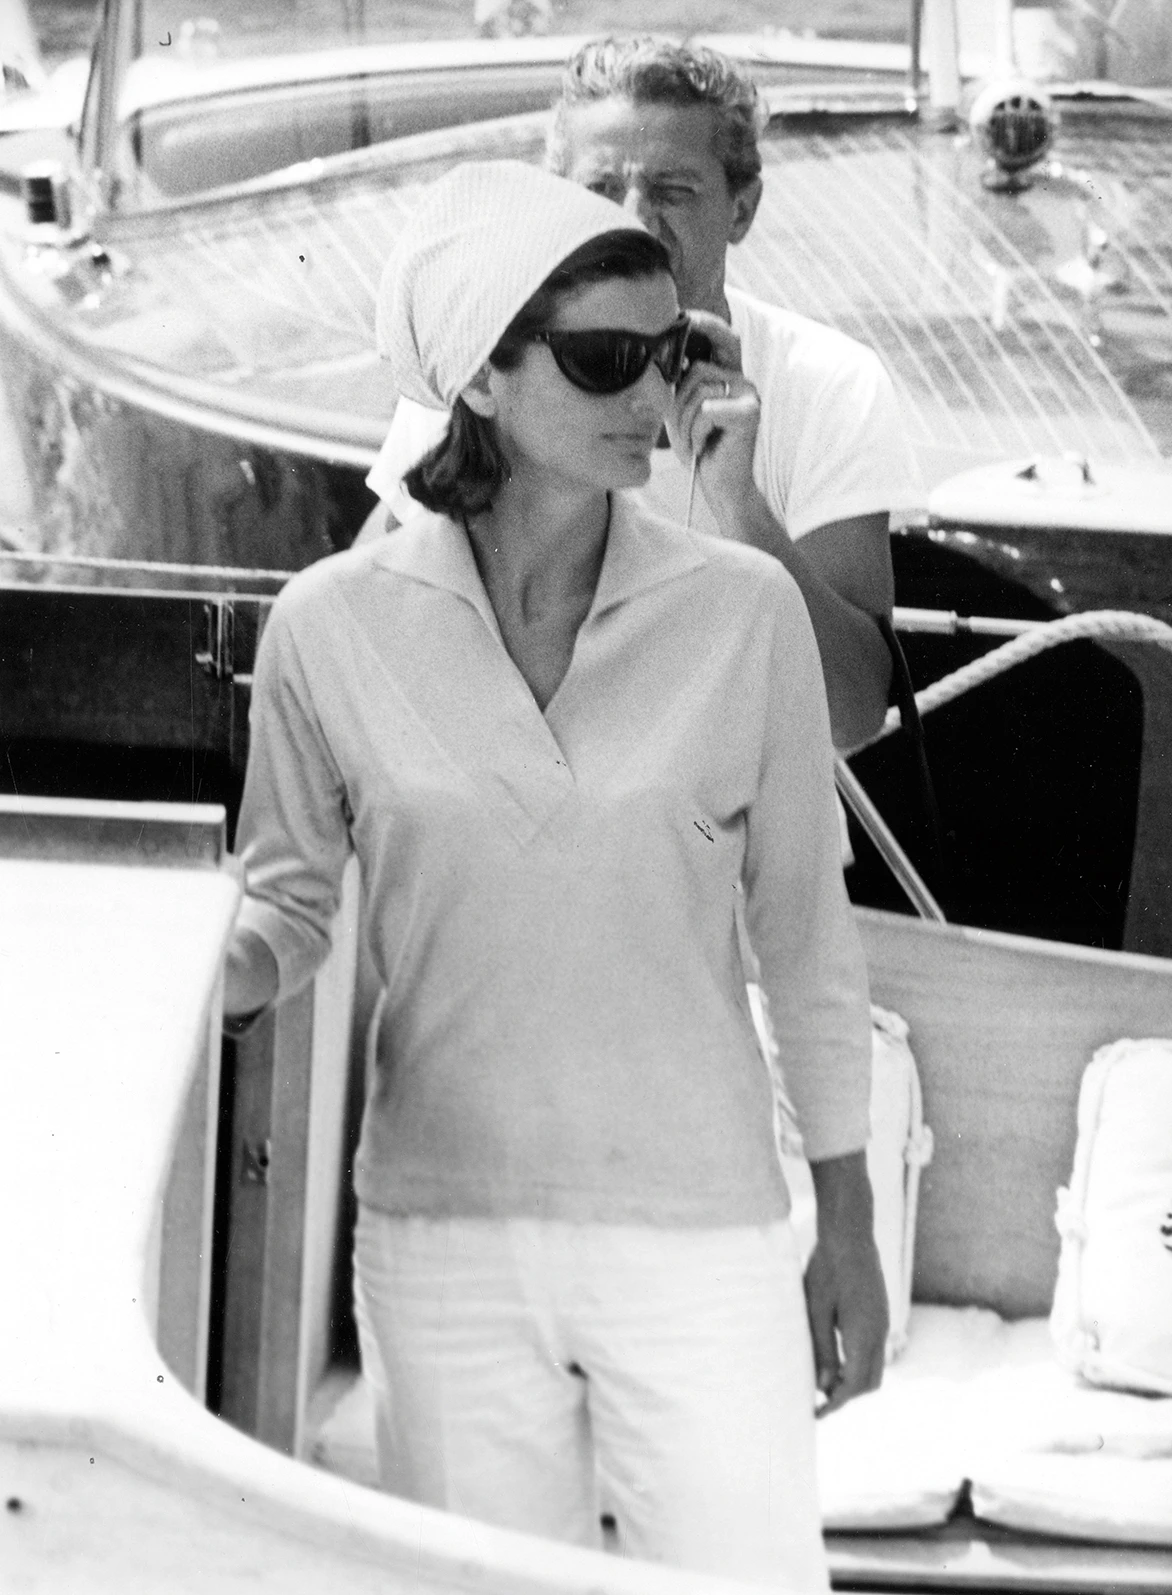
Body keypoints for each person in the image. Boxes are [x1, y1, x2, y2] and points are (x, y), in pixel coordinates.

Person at [225, 159, 884, 1588]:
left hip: (705, 1240)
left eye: (672, 354)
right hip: (440, 1235)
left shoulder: (744, 611)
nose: (651, 397)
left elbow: (806, 939)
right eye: (603, 359)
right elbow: (284, 905)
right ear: (479, 374)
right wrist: (171, 966)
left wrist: (850, 1221)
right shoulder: (327, 628)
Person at [364, 36, 922, 755]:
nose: (630, 220)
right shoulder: (477, 366)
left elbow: (850, 713)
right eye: (599, 190)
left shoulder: (828, 385)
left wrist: (738, 502)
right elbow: (363, 644)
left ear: (743, 208)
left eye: (673, 191)